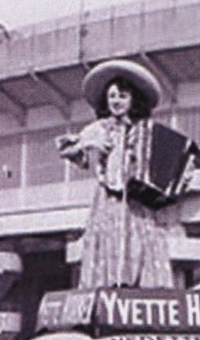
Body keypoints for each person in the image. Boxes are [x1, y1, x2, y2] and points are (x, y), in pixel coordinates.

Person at [57, 59, 184, 288]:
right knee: (110, 241)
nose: (116, 101)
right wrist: (92, 146)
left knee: (142, 239)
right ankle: (109, 286)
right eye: (112, 95)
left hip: (138, 202)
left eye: (122, 96)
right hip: (109, 200)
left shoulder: (144, 130)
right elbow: (69, 149)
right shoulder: (99, 128)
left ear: (133, 99)